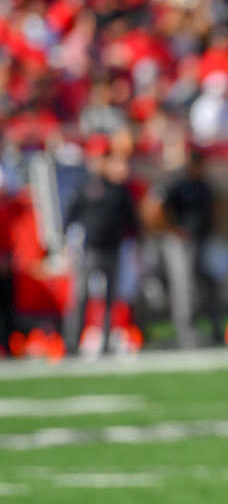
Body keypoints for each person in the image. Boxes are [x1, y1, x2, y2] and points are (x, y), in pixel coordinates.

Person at [62, 140, 139, 355]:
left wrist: (136, 244)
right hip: (90, 250)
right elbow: (70, 217)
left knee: (110, 299)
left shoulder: (118, 190)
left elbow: (131, 221)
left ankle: (105, 342)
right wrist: (65, 244)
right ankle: (72, 341)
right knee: (80, 297)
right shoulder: (84, 187)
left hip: (113, 249)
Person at [157, 148, 224, 348]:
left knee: (209, 283)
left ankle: (214, 328)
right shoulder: (179, 184)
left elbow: (214, 209)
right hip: (182, 242)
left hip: (203, 240)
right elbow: (158, 208)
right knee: (184, 286)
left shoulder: (204, 185)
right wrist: (173, 229)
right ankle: (186, 332)